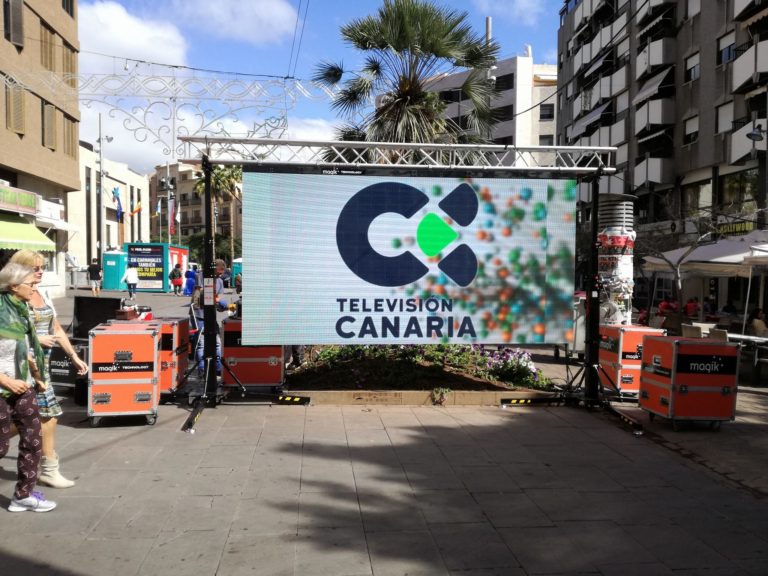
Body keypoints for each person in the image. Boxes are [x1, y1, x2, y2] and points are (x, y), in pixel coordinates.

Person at [10, 250, 88, 489]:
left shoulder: (41, 293)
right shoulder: (11, 296)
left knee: (35, 415)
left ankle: (47, 468)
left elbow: (55, 327)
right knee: (46, 415)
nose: (41, 271)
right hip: (20, 366)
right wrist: (33, 339)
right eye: (36, 268)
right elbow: (7, 335)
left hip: (41, 366)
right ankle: (49, 469)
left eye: (42, 267)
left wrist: (74, 356)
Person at [0, 262, 57, 512]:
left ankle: (23, 495)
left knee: (33, 440)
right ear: (13, 286)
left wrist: (35, 372)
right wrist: (6, 381)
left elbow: (23, 346)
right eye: (30, 284)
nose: (34, 288)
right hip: (3, 387)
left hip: (24, 385)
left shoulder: (22, 309)